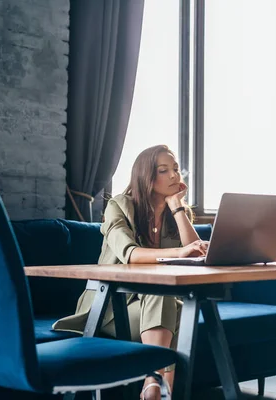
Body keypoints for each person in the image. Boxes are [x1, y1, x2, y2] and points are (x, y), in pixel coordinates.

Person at [53, 145, 208, 400]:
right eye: (164, 170)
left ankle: (154, 385)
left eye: (176, 169)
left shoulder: (175, 214)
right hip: (111, 308)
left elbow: (196, 251)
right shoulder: (119, 206)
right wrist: (177, 253)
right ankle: (158, 383)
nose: (174, 176)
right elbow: (130, 254)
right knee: (171, 300)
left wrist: (177, 206)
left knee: (177, 303)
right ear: (146, 176)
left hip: (151, 308)